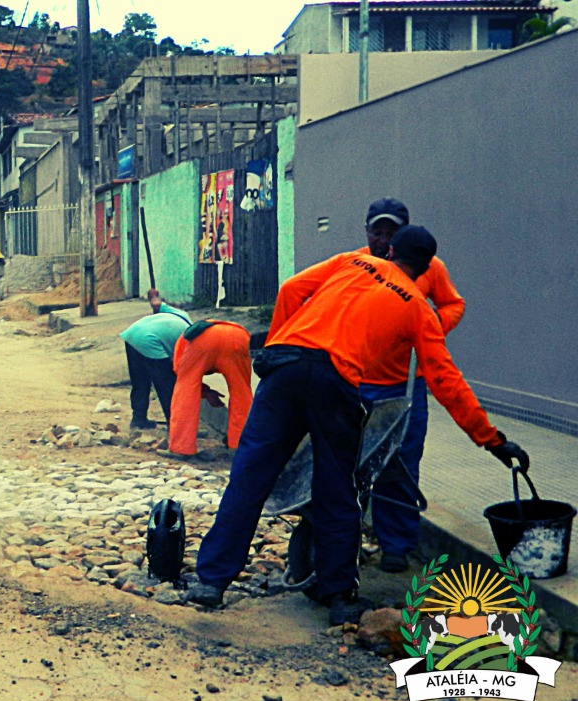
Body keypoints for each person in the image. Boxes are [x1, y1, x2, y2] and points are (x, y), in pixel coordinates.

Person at [186, 226, 529, 625]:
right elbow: (445, 381)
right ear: (425, 270)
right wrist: (491, 441)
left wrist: (279, 342)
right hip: (335, 382)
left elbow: (293, 289)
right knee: (337, 491)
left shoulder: (354, 260)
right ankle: (338, 598)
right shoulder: (419, 306)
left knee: (248, 477)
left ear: (391, 251)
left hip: (284, 370)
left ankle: (211, 582)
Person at [355, 198, 466, 574]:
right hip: (357, 383)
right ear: (366, 232)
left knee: (399, 465)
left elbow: (453, 305)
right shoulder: (354, 265)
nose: (384, 239)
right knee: (348, 463)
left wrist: (430, 325)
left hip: (407, 386)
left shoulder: (429, 266)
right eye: (378, 231)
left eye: (393, 232)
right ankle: (344, 540)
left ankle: (396, 545)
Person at [165, 319, 253, 457]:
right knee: (241, 391)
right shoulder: (216, 327)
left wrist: (204, 392)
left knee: (185, 388)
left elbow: (180, 373)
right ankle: (240, 445)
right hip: (237, 336)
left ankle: (181, 448)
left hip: (203, 341)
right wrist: (207, 392)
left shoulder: (183, 343)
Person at [117, 289, 190, 431]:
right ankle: (175, 426)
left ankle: (139, 419)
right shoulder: (191, 342)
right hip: (150, 341)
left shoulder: (183, 315)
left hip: (133, 333)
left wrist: (154, 296)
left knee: (140, 381)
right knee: (166, 385)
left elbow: (157, 304)